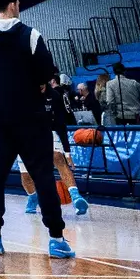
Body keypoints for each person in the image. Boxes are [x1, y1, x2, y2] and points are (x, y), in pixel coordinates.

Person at [0, 0, 73, 259]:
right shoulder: (31, 35)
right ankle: (56, 239)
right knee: (43, 176)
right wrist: (30, 84)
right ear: (13, 5)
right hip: (31, 116)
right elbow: (47, 71)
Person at [17, 70, 88, 217]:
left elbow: (61, 125)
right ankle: (32, 196)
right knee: (25, 175)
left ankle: (76, 196)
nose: (41, 89)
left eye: (43, 85)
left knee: (58, 158)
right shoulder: (21, 95)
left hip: (49, 131)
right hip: (26, 133)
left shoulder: (54, 96)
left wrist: (67, 152)